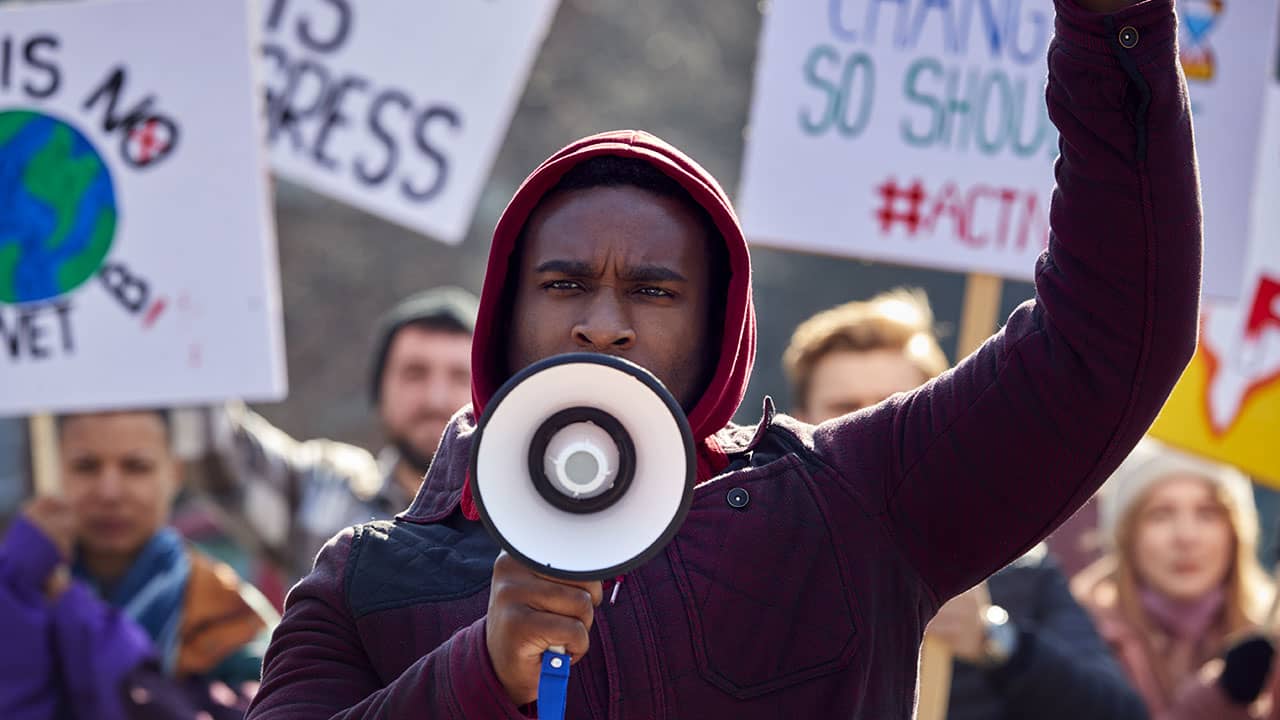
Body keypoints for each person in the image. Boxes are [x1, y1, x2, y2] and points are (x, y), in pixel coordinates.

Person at [249, 1, 1203, 716]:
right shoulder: (365, 581)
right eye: (564, 283)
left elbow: (1106, 344)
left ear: (720, 334)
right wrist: (476, 675)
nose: (604, 325)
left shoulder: (846, 505)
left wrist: (1109, 30)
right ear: (500, 317)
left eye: (656, 291)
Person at [786, 289, 1147, 719]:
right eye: (846, 410)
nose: (870, 431)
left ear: (941, 413)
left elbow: (1118, 713)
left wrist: (991, 640)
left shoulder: (1018, 571)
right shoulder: (756, 559)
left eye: (892, 407)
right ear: (799, 420)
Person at [0, 409, 279, 719]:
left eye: (136, 467)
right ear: (54, 470)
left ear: (174, 474)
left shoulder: (222, 606)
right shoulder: (20, 588)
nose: (110, 492)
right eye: (86, 466)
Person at [197, 286, 478, 581]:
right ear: (379, 391)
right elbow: (213, 447)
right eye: (414, 373)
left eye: (460, 376)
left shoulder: (514, 518)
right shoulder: (322, 491)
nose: (435, 398)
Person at [1073, 438, 1279, 719]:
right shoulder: (1080, 635)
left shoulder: (1271, 632)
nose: (1186, 537)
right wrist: (1221, 695)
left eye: (1207, 513)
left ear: (1235, 532)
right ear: (1126, 537)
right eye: (1160, 515)